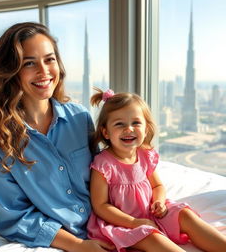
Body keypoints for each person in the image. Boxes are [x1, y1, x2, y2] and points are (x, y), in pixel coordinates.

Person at [0, 22, 114, 252]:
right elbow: (14, 217)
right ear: (11, 71)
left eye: (49, 59)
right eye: (29, 63)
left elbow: (105, 176)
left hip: (110, 226)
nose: (44, 71)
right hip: (67, 241)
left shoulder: (80, 118)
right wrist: (79, 245)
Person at [87, 88, 226, 252]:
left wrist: (159, 201)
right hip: (122, 222)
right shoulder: (103, 164)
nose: (129, 129)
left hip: (151, 213)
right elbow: (100, 206)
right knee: (151, 236)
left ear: (145, 129)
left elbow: (157, 186)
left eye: (136, 123)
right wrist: (133, 222)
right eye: (119, 124)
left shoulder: (145, 155)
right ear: (106, 132)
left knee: (185, 215)